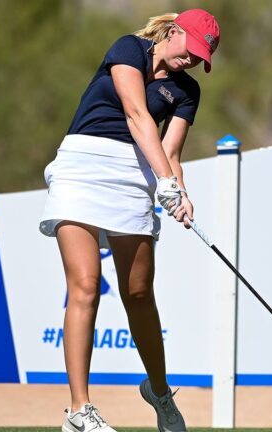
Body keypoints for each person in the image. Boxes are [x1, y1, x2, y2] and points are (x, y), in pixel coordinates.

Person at [39, 9, 220, 432]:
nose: (192, 61)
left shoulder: (187, 91)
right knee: (84, 287)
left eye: (201, 58)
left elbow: (171, 152)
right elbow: (138, 116)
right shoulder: (128, 48)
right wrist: (165, 180)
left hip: (134, 175)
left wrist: (179, 192)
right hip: (82, 165)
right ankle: (79, 411)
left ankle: (158, 391)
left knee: (138, 292)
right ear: (174, 32)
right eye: (191, 50)